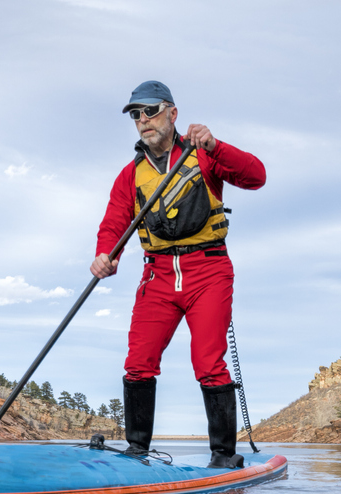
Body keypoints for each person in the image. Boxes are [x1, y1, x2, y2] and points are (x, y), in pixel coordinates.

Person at [92, 81, 266, 469]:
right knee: (138, 360)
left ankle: (223, 455)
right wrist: (106, 254)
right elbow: (114, 223)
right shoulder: (130, 176)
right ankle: (137, 453)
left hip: (208, 269)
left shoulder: (202, 154)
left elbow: (257, 176)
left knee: (208, 362)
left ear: (173, 113)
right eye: (135, 115)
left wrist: (216, 146)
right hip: (157, 275)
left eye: (150, 111)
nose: (142, 121)